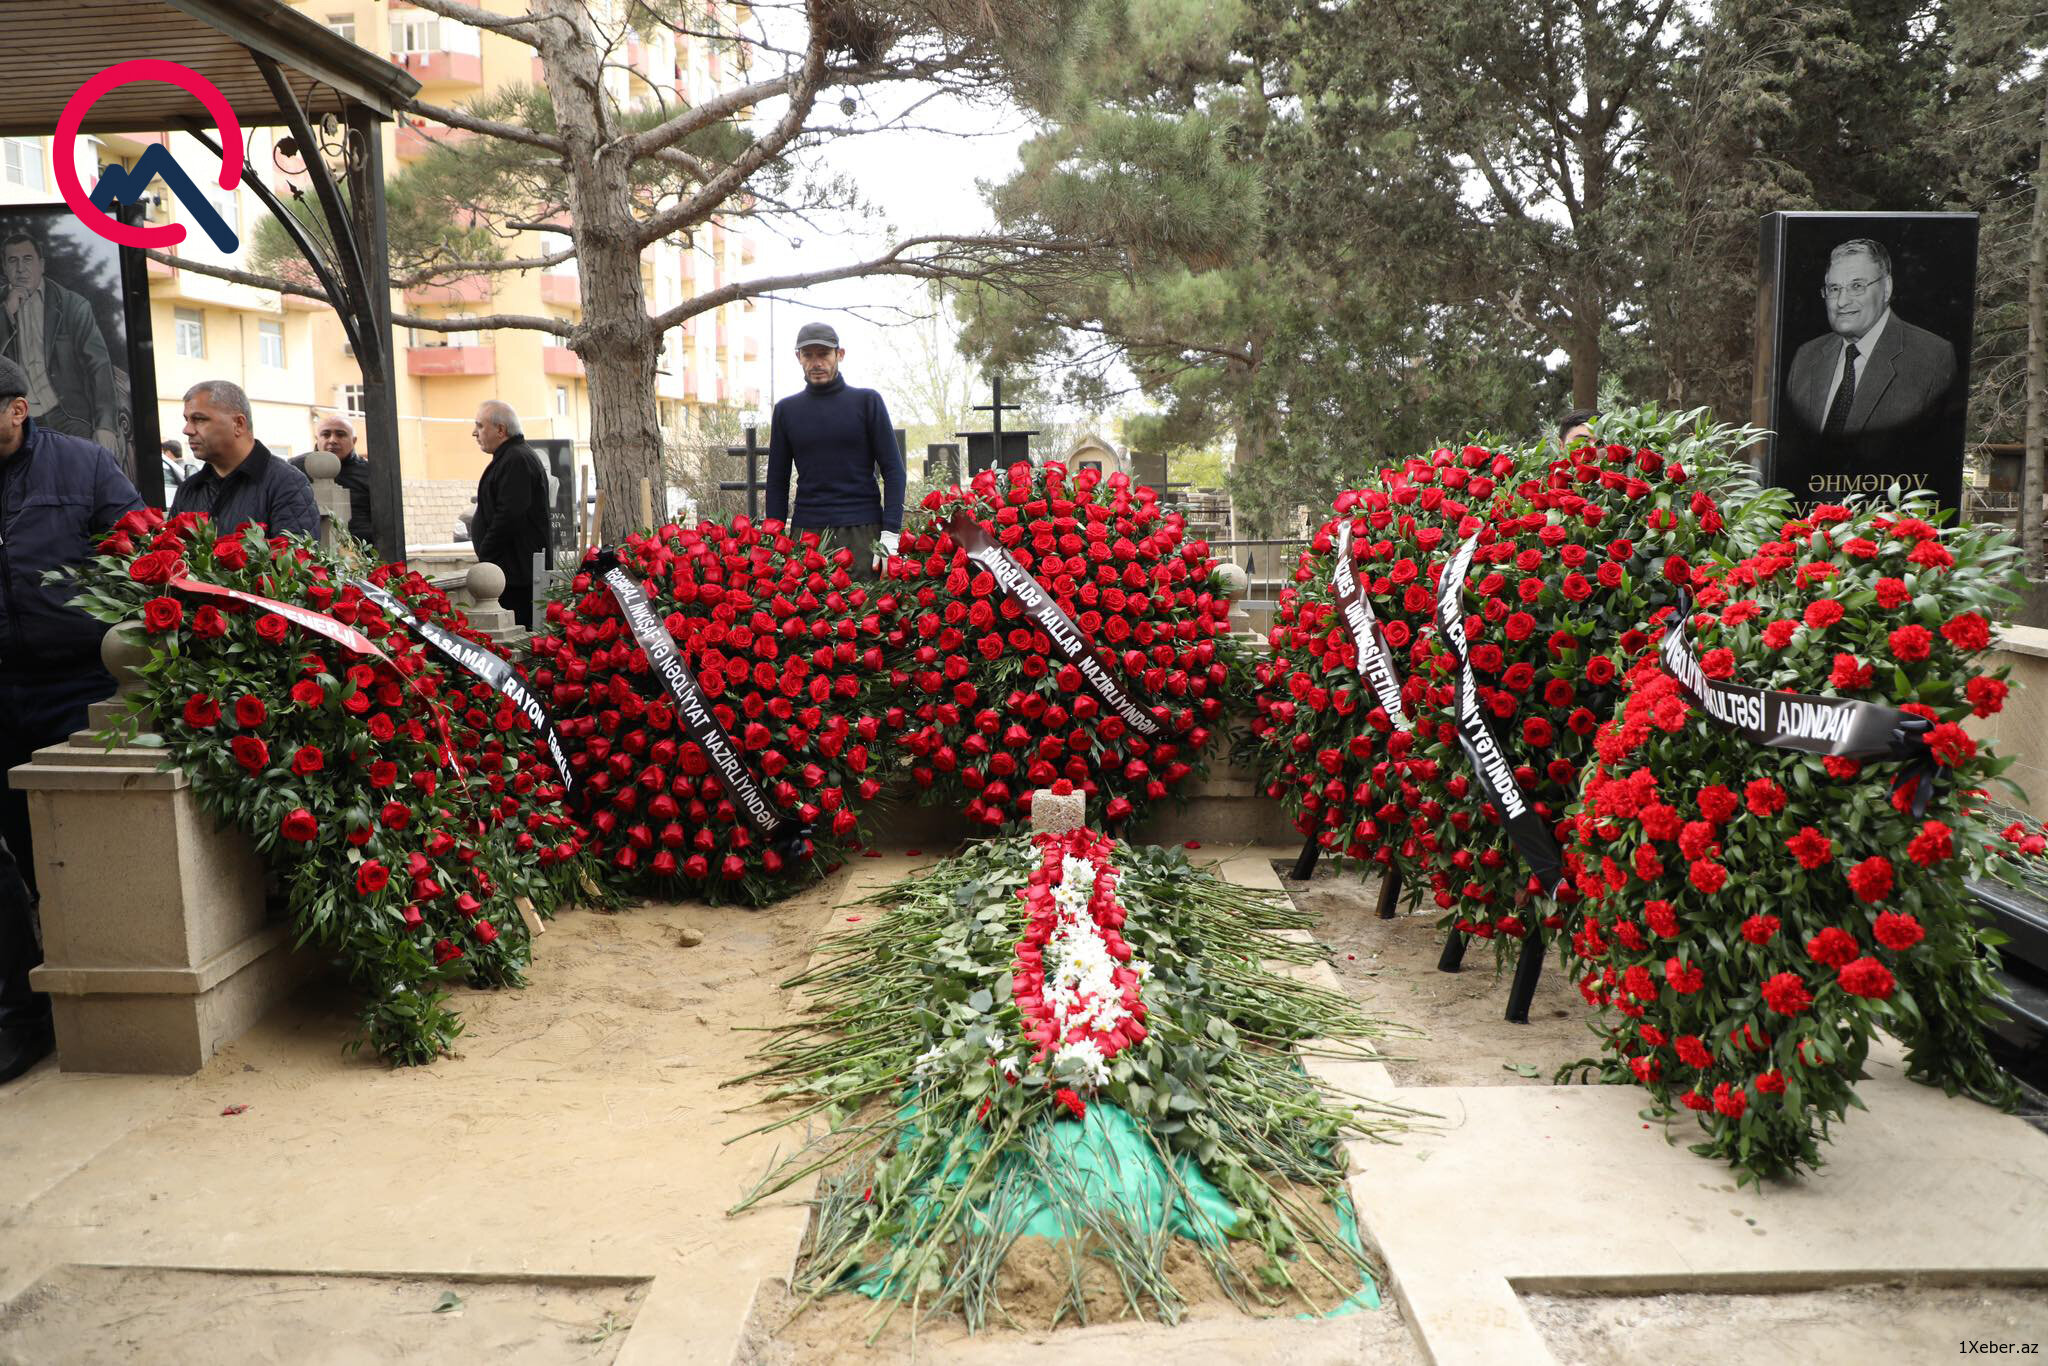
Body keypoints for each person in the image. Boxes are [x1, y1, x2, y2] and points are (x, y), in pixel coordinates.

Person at [0, 355, 144, 1083]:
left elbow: (144, 550)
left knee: (73, 846)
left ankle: (98, 994)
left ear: (17, 410)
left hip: (74, 682)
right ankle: (22, 1016)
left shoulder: (85, 467)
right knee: (9, 860)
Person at [1785, 239, 1956, 455]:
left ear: (1887, 288)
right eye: (1834, 288)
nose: (1841, 301)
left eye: (1856, 286)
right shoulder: (1806, 357)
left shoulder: (1933, 358)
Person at [764, 321, 904, 580]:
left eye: (824, 354)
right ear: (798, 358)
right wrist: (774, 540)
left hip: (864, 533)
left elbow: (894, 471)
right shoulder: (786, 411)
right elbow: (777, 482)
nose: (816, 362)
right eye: (808, 355)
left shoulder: (867, 402)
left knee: (869, 615)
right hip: (807, 534)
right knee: (805, 618)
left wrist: (890, 534)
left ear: (840, 355)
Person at [0, 232, 118, 450]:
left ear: (41, 265)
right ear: (5, 268)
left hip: (67, 415)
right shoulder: (2, 305)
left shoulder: (72, 305)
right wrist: (6, 313)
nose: (20, 268)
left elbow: (99, 366)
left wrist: (105, 425)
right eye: (12, 261)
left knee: (82, 473)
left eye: (27, 259)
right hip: (12, 420)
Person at [169, 380, 319, 538]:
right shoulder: (189, 489)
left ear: (238, 424)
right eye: (187, 420)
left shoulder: (286, 484)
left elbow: (296, 558)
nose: (187, 430)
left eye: (199, 419)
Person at [468, 400, 548, 628]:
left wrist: (487, 553)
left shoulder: (516, 459)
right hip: (509, 573)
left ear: (501, 430)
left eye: (480, 426)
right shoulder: (510, 457)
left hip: (515, 577)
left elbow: (510, 515)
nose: (475, 433)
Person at [289, 414, 375, 543]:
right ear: (317, 438)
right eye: (326, 434)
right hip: (309, 553)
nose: (332, 440)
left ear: (354, 440)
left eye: (340, 434)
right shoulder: (295, 469)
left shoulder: (371, 472)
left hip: (361, 554)